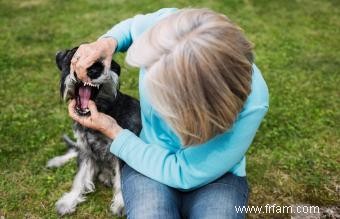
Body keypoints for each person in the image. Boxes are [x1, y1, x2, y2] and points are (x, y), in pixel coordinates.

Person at [68, 8, 269, 219]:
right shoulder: (174, 29)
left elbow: (183, 173)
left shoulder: (252, 102)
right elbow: (131, 29)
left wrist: (115, 132)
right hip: (145, 154)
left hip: (217, 177)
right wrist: (107, 43)